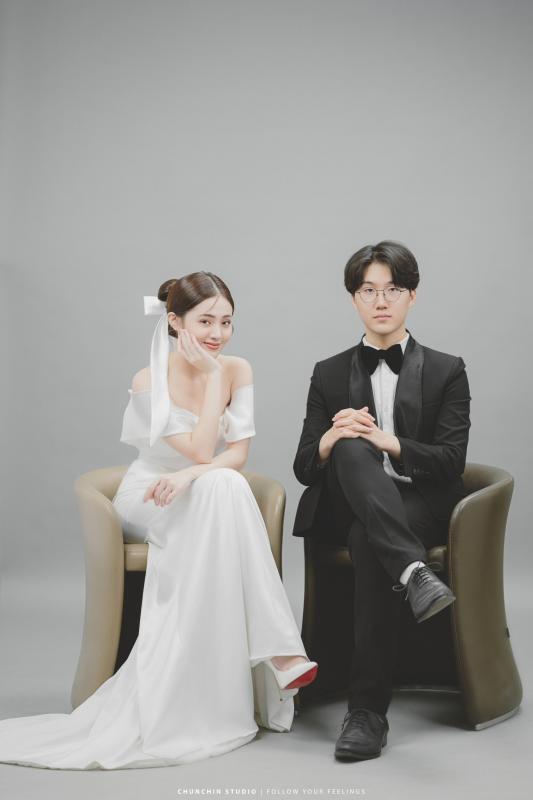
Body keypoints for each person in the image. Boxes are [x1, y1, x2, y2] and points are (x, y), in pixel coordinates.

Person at [0, 271, 317, 770]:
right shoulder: (148, 380)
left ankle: (275, 655)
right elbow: (201, 448)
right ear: (175, 321)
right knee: (223, 484)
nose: (217, 334)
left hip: (196, 487)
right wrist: (211, 384)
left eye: (227, 322)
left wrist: (192, 475)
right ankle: (281, 651)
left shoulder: (240, 368)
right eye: (205, 321)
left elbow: (236, 455)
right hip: (149, 495)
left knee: (226, 483)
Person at [292, 241, 471, 762]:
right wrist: (332, 439)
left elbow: (451, 462)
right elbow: (304, 467)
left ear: (412, 295)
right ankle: (415, 573)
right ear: (354, 299)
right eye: (368, 291)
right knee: (348, 444)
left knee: (369, 538)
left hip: (417, 502)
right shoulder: (328, 372)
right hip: (348, 499)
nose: (381, 301)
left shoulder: (447, 370)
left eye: (393, 289)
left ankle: (367, 712)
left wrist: (389, 443)